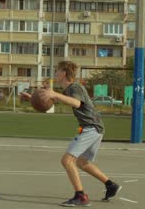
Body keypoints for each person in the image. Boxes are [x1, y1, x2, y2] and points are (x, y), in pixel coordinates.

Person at [22, 61, 121, 207]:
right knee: (82, 162)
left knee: (67, 160)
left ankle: (80, 196)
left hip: (91, 127)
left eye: (57, 70)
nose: (55, 73)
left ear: (63, 73)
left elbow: (76, 103)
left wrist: (53, 93)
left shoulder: (75, 87)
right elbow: (54, 100)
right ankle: (110, 185)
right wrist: (33, 98)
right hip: (94, 128)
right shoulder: (68, 90)